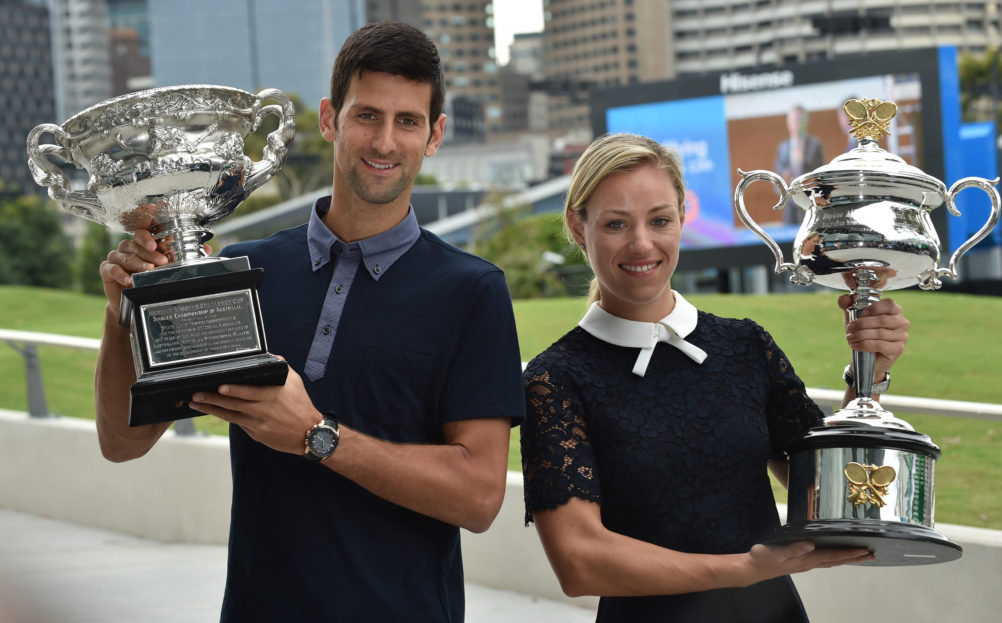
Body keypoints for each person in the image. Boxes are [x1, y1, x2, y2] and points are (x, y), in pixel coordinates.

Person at [95, 22, 525, 622]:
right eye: (367, 115)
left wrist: (317, 435)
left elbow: (479, 496)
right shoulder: (246, 270)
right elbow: (122, 442)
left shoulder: (472, 291)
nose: (384, 141)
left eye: (408, 121)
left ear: (435, 136)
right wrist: (124, 311)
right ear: (329, 119)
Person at [519, 133, 910, 622]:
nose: (642, 244)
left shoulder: (745, 346)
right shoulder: (555, 380)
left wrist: (869, 372)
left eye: (659, 220)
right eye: (616, 224)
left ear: (684, 215)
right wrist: (741, 569)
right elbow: (579, 562)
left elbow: (826, 495)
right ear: (579, 229)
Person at [773, 104, 825, 225]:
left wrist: (803, 163)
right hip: (790, 208)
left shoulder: (815, 145)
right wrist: (782, 182)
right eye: (794, 120)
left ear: (806, 122)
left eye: (800, 120)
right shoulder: (783, 148)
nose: (797, 124)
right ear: (788, 123)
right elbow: (776, 183)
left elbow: (821, 176)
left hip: (811, 204)